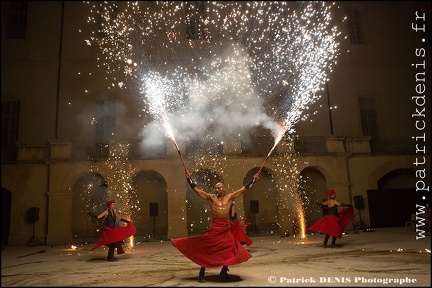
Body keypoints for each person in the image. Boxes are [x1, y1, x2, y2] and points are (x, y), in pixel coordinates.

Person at [171, 171, 260, 283]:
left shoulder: (230, 197)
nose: (216, 190)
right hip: (215, 226)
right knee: (208, 248)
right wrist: (189, 179)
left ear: (223, 188)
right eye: (215, 188)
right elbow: (196, 190)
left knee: (230, 248)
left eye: (219, 188)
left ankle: (223, 272)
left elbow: (244, 189)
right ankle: (202, 272)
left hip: (225, 227)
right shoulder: (211, 198)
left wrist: (254, 180)